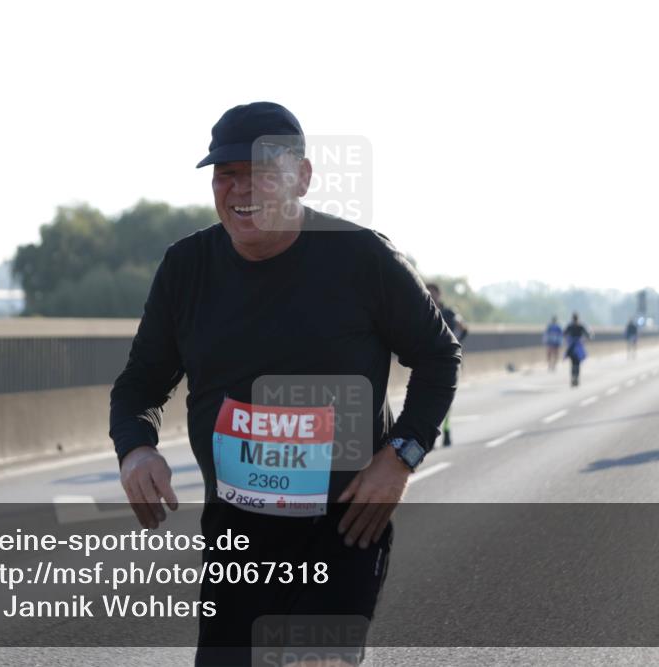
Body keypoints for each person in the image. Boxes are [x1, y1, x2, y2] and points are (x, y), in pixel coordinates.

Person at [109, 102, 462, 665]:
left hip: (343, 531)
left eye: (261, 173)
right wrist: (135, 449)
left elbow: (440, 355)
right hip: (237, 538)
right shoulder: (186, 268)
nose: (240, 190)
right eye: (227, 175)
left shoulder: (361, 258)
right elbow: (137, 388)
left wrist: (400, 457)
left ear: (301, 176)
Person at [425, 283, 467, 446]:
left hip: (449, 363)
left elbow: (463, 328)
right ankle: (430, 434)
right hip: (427, 362)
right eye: (428, 293)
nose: (431, 297)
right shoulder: (421, 311)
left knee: (445, 399)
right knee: (427, 400)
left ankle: (446, 430)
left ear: (439, 295)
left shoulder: (449, 313)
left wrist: (453, 344)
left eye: (433, 294)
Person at [563, 313, 591, 387]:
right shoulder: (581, 325)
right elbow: (588, 334)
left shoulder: (570, 325)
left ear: (572, 318)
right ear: (578, 318)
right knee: (577, 363)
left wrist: (567, 339)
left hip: (571, 346)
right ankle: (576, 378)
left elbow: (564, 333)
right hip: (578, 346)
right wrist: (586, 339)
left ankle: (573, 377)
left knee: (572, 363)